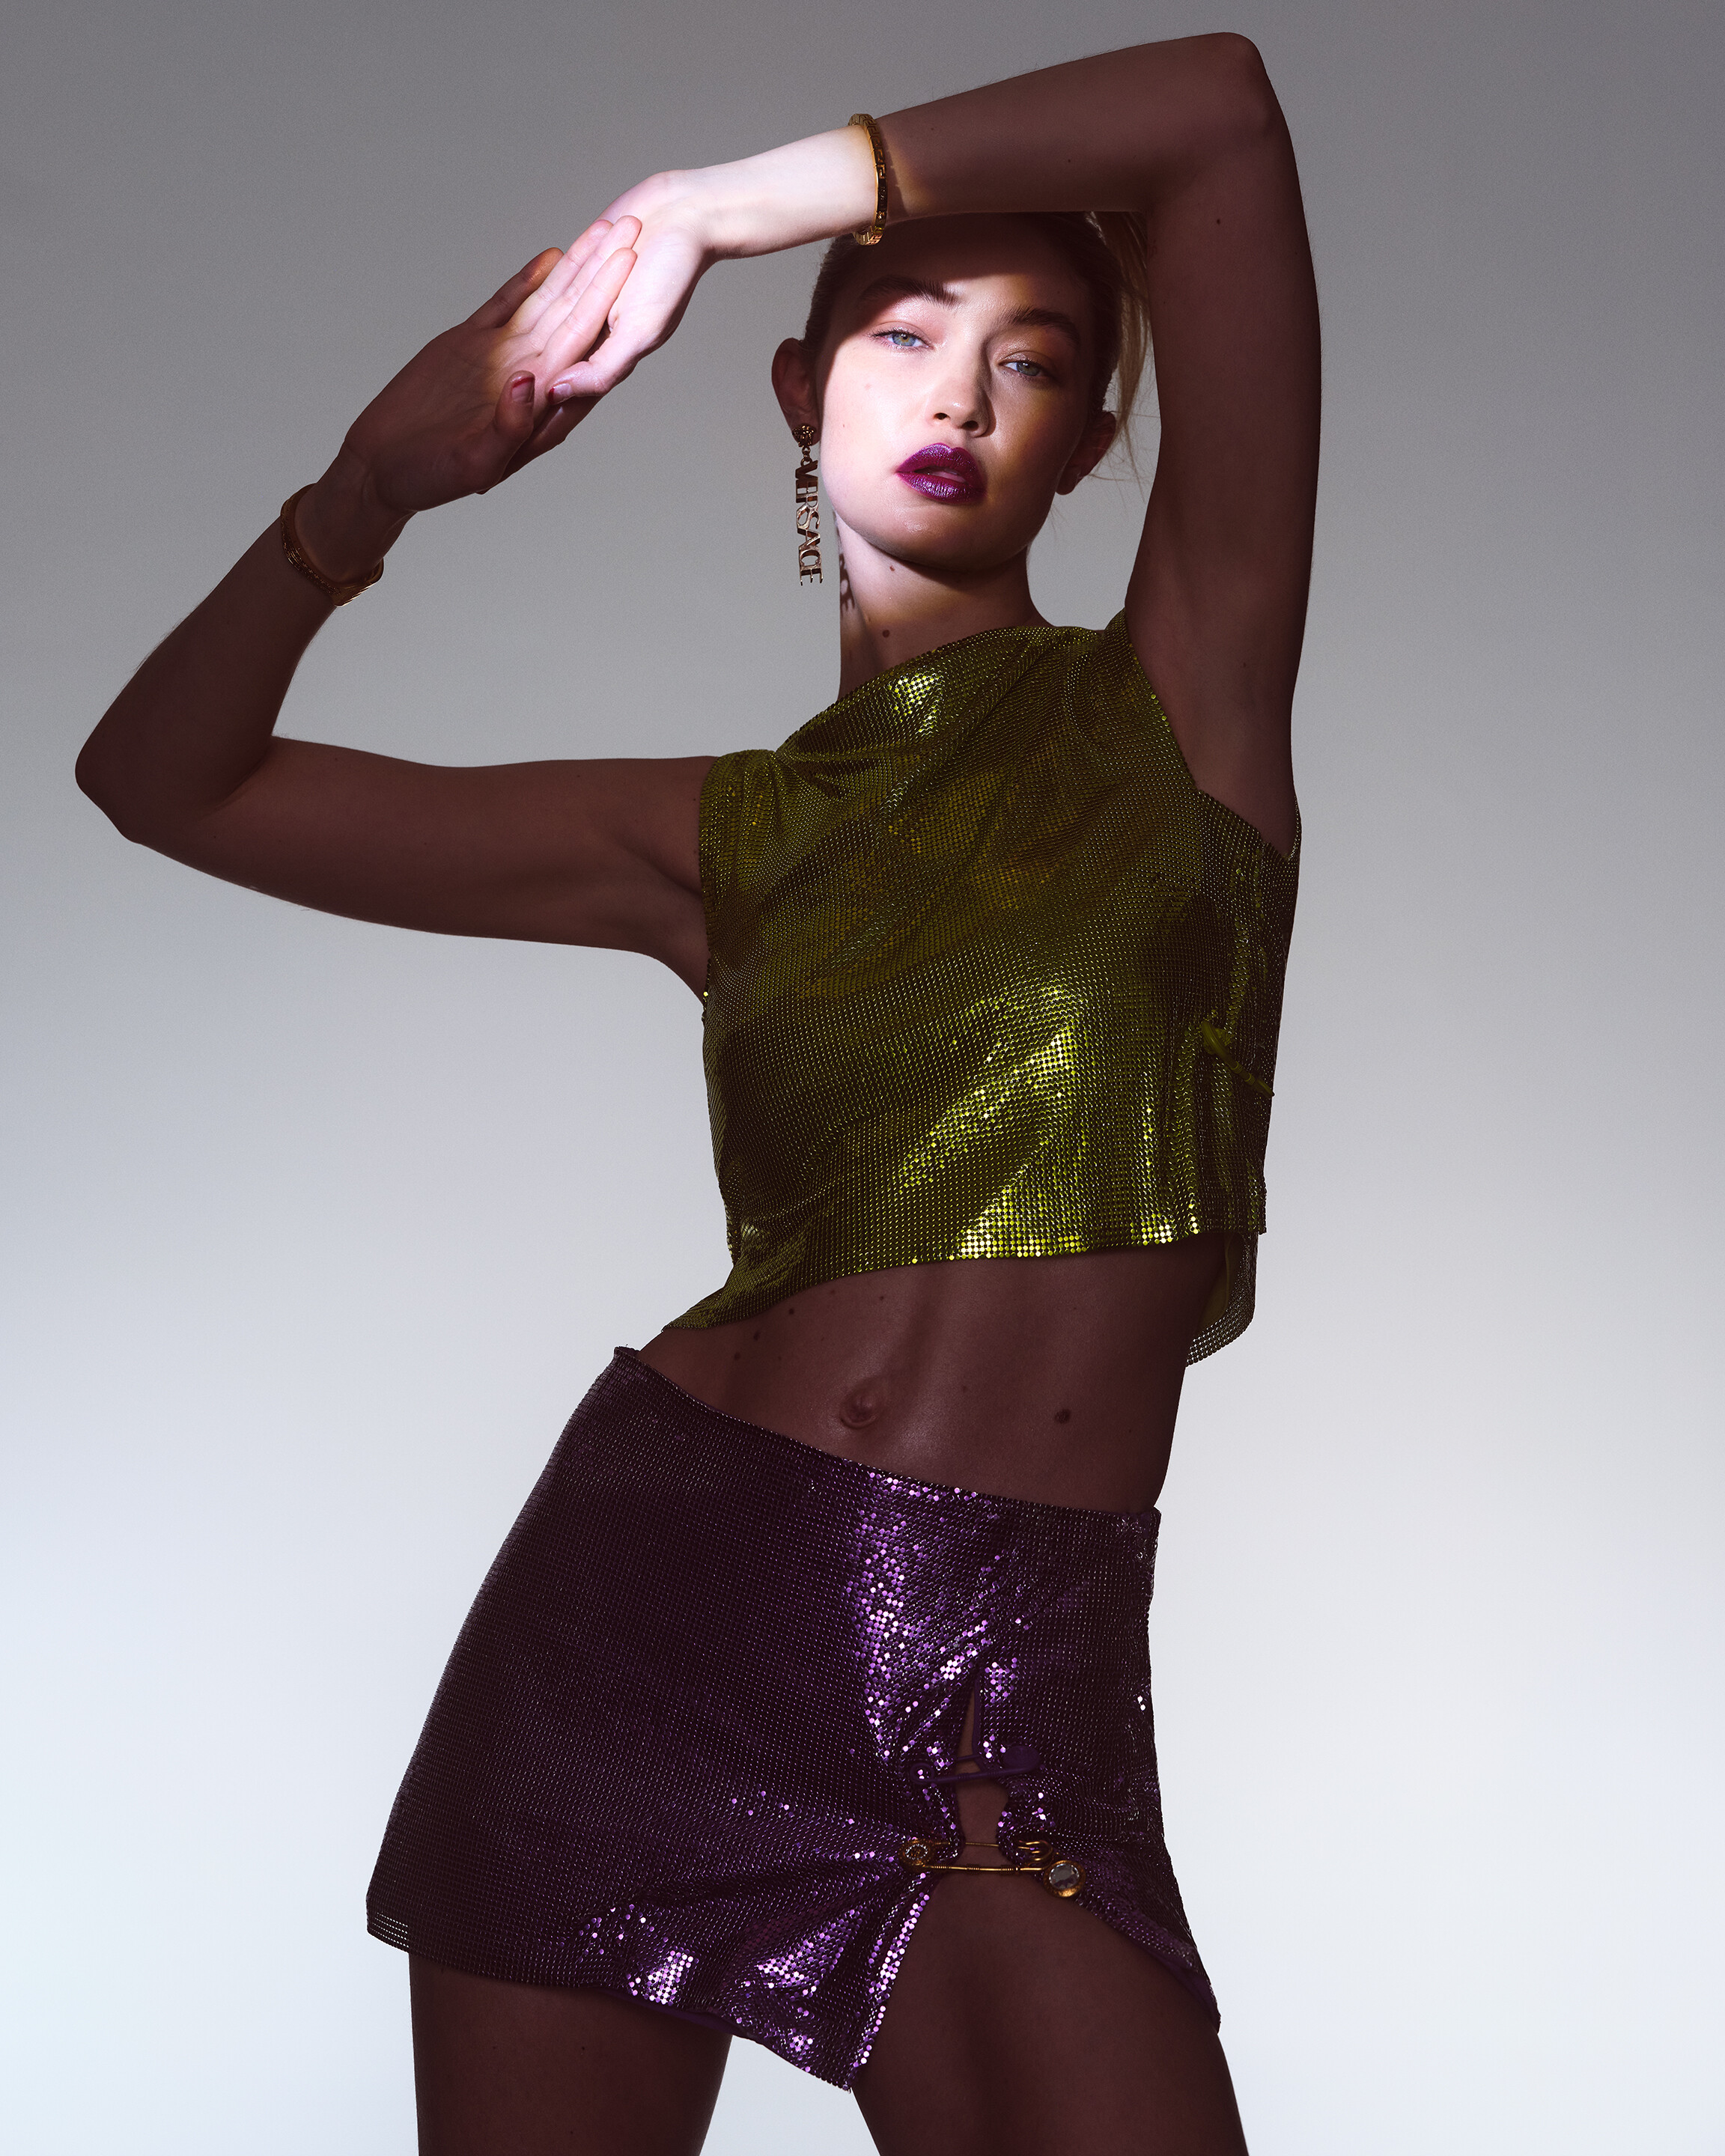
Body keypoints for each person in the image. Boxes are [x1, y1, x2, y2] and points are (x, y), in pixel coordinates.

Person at [77, 33, 1318, 2156]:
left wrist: (717, 209)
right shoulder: (717, 839)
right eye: (903, 334)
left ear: (1096, 440)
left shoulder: (1182, 708)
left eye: (1032, 360)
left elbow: (1217, 114)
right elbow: (163, 779)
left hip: (1009, 1672)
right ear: (799, 395)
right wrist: (372, 491)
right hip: (644, 1630)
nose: (959, 394)